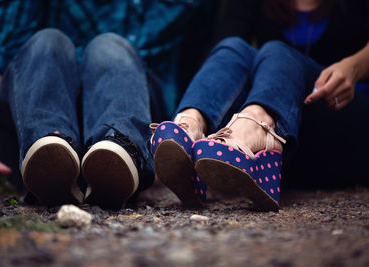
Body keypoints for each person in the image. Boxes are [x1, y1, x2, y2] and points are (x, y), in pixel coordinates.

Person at [0, 0, 216, 208]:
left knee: (109, 48)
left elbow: (198, 63)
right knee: (47, 42)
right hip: (43, 96)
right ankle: (49, 148)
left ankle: (119, 149)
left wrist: (179, 147)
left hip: (135, 98)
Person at [149, 0, 369, 211]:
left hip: (341, 122)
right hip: (286, 138)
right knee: (231, 48)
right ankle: (191, 126)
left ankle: (258, 130)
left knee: (277, 51)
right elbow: (224, 52)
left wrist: (355, 67)